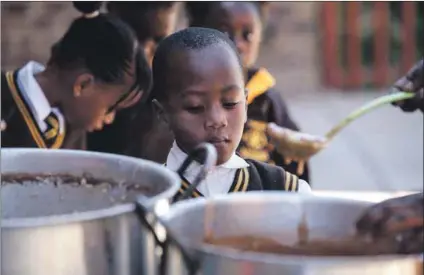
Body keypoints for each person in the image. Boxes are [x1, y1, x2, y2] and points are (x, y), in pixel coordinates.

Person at [151, 27, 312, 199]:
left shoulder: (286, 192)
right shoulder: (148, 195)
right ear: (162, 113)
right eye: (195, 107)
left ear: (245, 102)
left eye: (230, 103)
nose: (217, 120)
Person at [185, 2, 311, 182]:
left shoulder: (268, 99)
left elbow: (294, 164)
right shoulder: (190, 99)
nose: (238, 44)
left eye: (248, 35)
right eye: (225, 33)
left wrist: (299, 149)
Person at [1, 1, 151, 149]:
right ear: (83, 85)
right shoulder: (6, 105)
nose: (109, 120)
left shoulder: (69, 128)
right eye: (110, 109)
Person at [86, 2, 177, 159]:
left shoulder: (165, 90)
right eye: (135, 38)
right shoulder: (82, 75)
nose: (146, 52)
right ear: (111, 14)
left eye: (158, 41)